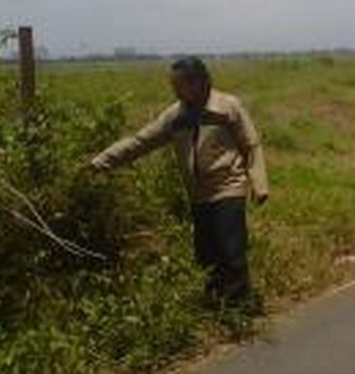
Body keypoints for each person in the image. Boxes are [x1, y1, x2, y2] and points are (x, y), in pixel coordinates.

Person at [90, 56, 268, 309]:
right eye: (173, 85)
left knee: (231, 251)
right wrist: (101, 162)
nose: (174, 90)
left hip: (229, 186)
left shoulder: (228, 107)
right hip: (198, 194)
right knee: (205, 254)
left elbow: (250, 145)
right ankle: (216, 304)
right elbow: (141, 141)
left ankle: (241, 309)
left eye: (179, 85)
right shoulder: (176, 115)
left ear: (199, 82)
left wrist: (259, 186)